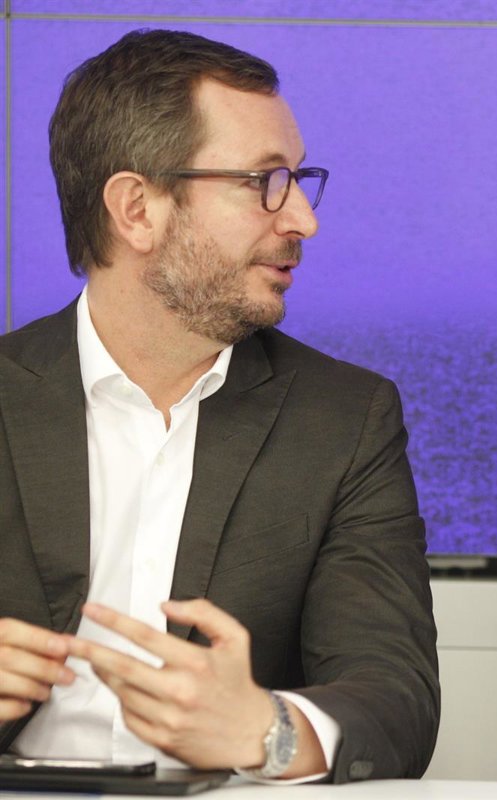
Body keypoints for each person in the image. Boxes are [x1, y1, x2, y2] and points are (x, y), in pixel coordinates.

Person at [0, 29, 439, 782]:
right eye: (264, 181)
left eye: (298, 180)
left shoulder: (345, 420)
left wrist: (267, 731)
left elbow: (396, 701)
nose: (302, 220)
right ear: (137, 209)